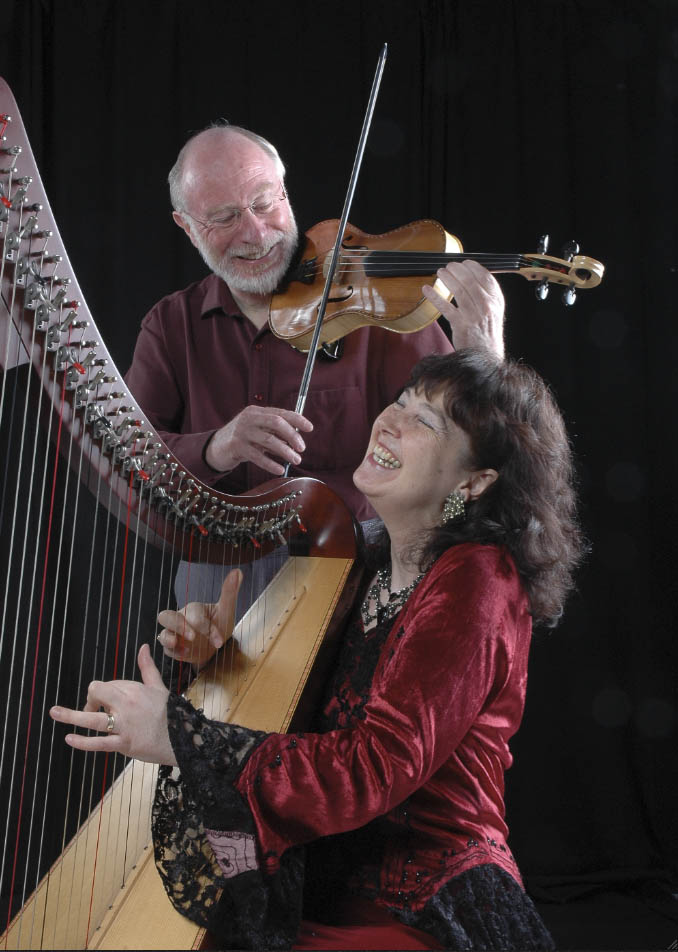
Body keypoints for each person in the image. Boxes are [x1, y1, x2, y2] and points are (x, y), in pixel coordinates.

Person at [51, 349, 584, 951]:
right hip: (326, 872)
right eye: (401, 402)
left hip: (421, 898)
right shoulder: (367, 558)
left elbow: (370, 768)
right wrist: (223, 659)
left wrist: (179, 735)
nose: (389, 421)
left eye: (425, 422)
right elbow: (323, 703)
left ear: (474, 482)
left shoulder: (477, 582)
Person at [124, 124, 506, 609]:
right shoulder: (171, 325)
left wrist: (485, 355)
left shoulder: (373, 302)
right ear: (186, 225)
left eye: (265, 203)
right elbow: (131, 462)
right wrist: (216, 447)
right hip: (224, 573)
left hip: (364, 560)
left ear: (285, 191)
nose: (255, 233)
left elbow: (467, 443)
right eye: (224, 218)